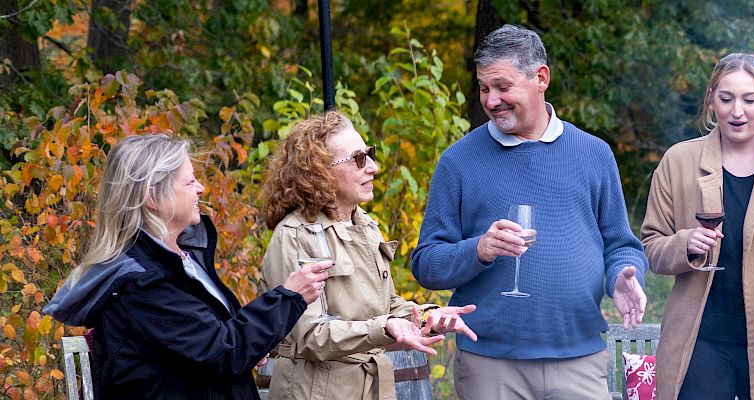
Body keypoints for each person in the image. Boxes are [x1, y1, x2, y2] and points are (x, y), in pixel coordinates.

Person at [411, 25, 649, 399]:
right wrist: (479, 250)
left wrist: (621, 275)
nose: (491, 100)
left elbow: (621, 245)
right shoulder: (458, 161)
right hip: (490, 367)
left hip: (580, 361)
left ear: (541, 78)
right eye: (484, 88)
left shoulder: (594, 154)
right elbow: (426, 264)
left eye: (503, 87)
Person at [44, 134, 330, 399]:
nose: (201, 188)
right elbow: (223, 351)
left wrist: (251, 344)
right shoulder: (142, 284)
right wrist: (289, 296)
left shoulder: (179, 260)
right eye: (190, 182)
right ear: (153, 198)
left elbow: (207, 343)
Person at [258, 111, 479, 400]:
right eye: (358, 159)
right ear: (320, 171)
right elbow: (310, 336)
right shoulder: (295, 235)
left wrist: (424, 316)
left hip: (372, 388)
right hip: (316, 392)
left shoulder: (365, 225)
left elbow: (383, 305)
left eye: (369, 154)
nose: (373, 167)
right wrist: (383, 327)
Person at [639, 53, 754, 399]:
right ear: (711, 100)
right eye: (726, 99)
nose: (737, 111)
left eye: (749, 100)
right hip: (700, 341)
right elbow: (650, 247)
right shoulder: (678, 161)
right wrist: (684, 244)